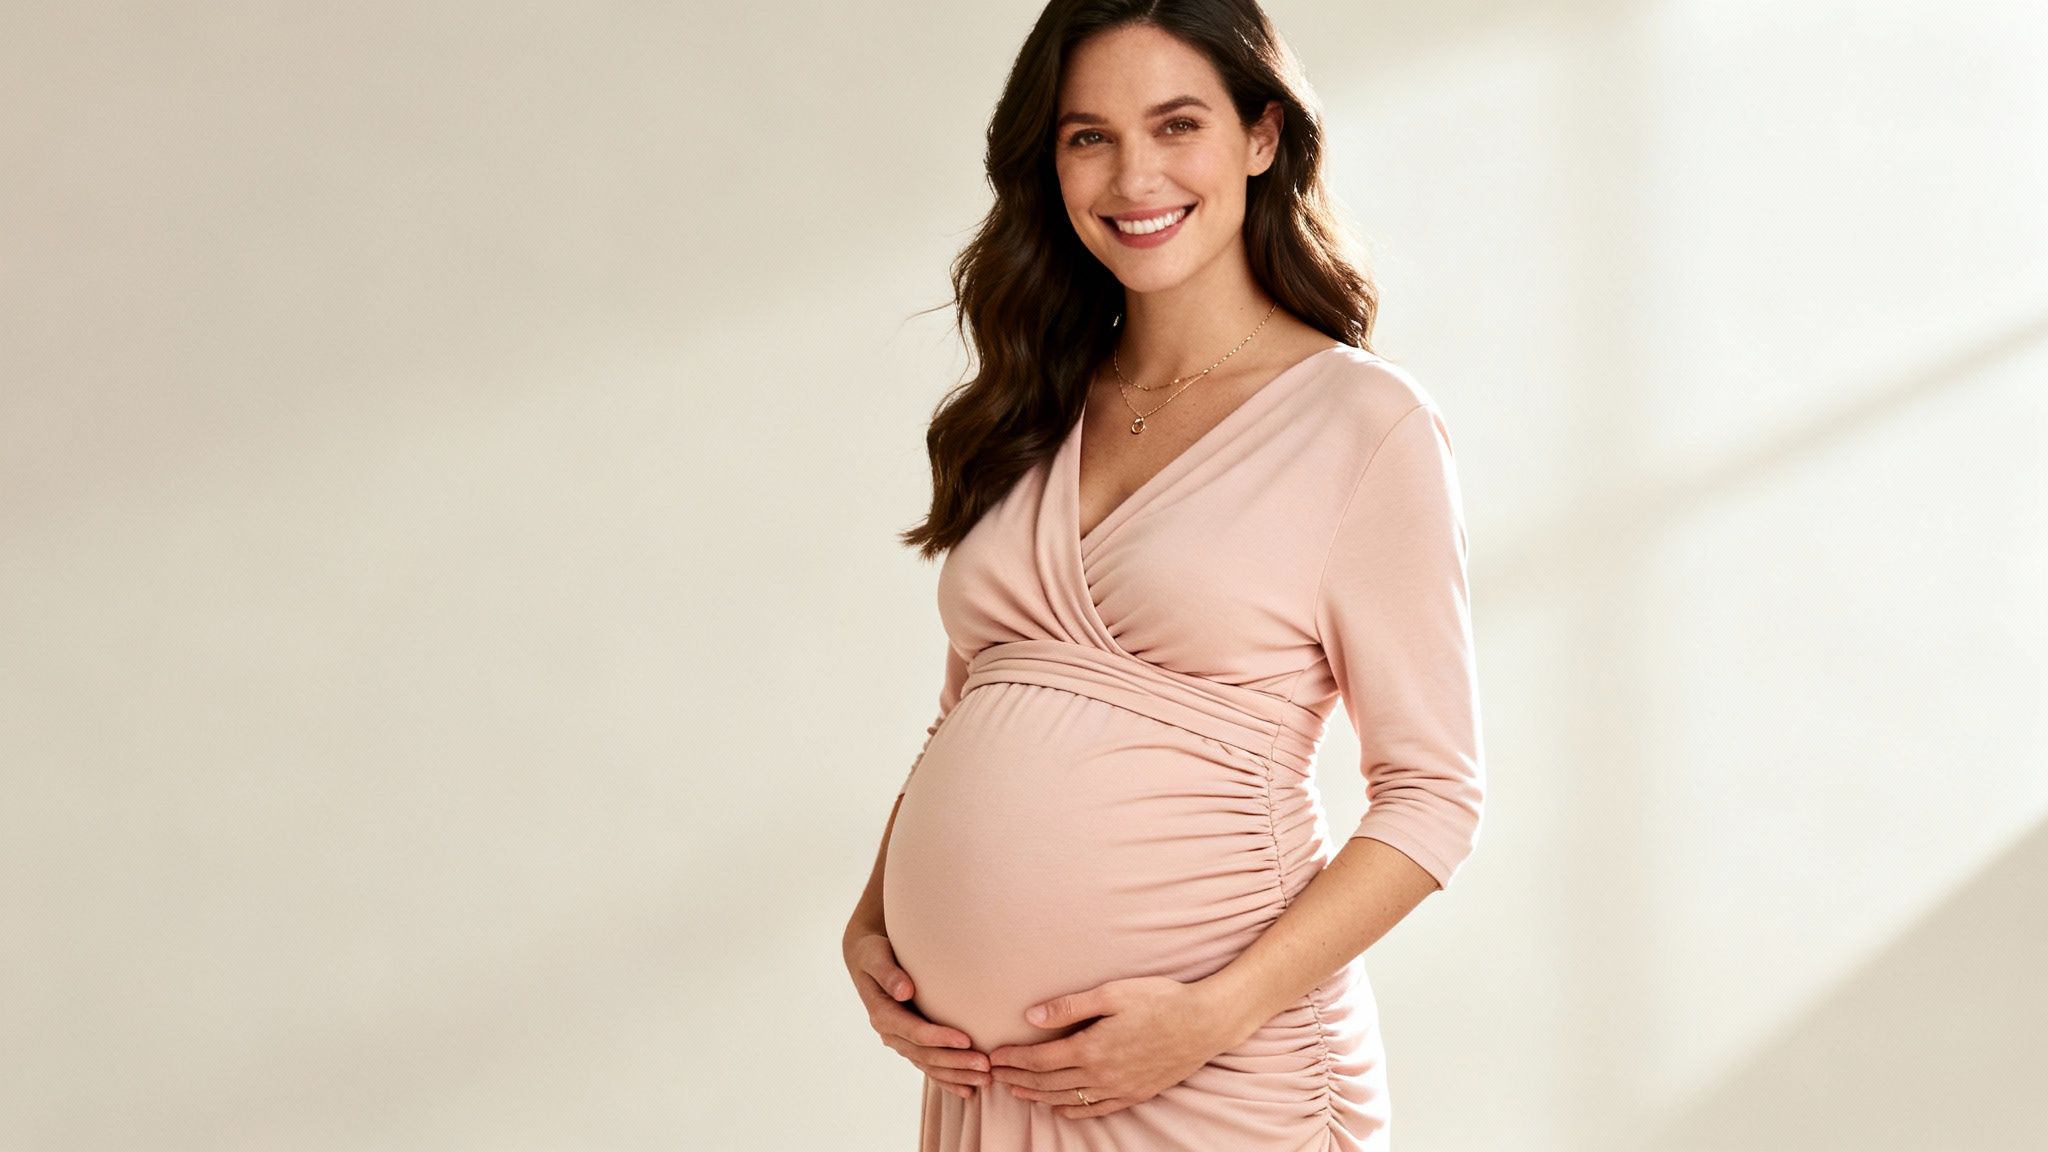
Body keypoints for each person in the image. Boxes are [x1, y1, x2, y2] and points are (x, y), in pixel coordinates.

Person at [840, 1, 1486, 1147]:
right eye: (1088, 136)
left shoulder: (1361, 425)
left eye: (1175, 124)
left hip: (1218, 1070)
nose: (1132, 176)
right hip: (990, 1082)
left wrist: (1204, 1017)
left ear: (1261, 136)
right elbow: (968, 715)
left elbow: (1432, 798)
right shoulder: (1030, 405)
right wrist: (871, 924)